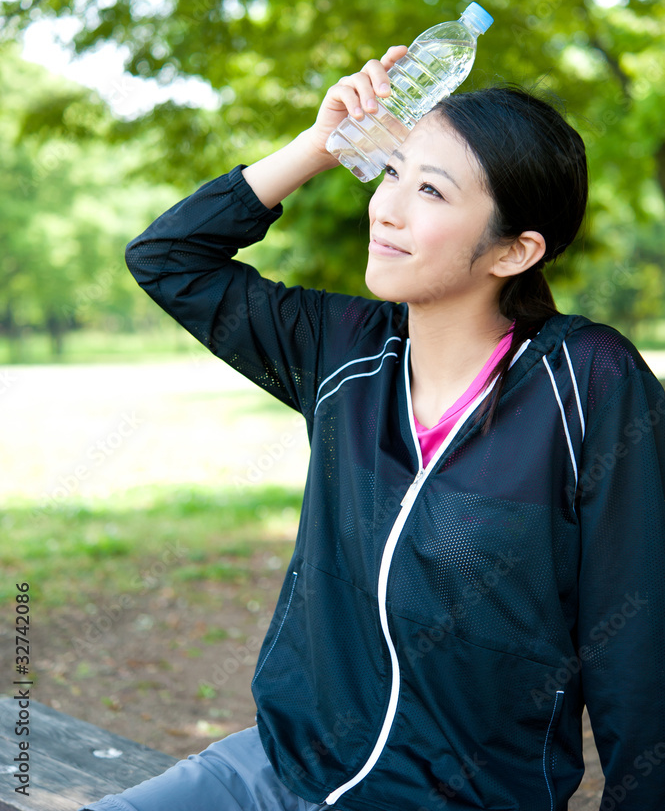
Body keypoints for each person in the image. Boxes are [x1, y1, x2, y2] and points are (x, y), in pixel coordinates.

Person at [79, 45, 665, 811]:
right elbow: (167, 260)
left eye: (429, 190)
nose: (385, 209)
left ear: (516, 249)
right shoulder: (341, 349)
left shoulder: (587, 382)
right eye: (391, 172)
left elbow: (638, 651)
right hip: (277, 773)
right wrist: (317, 149)